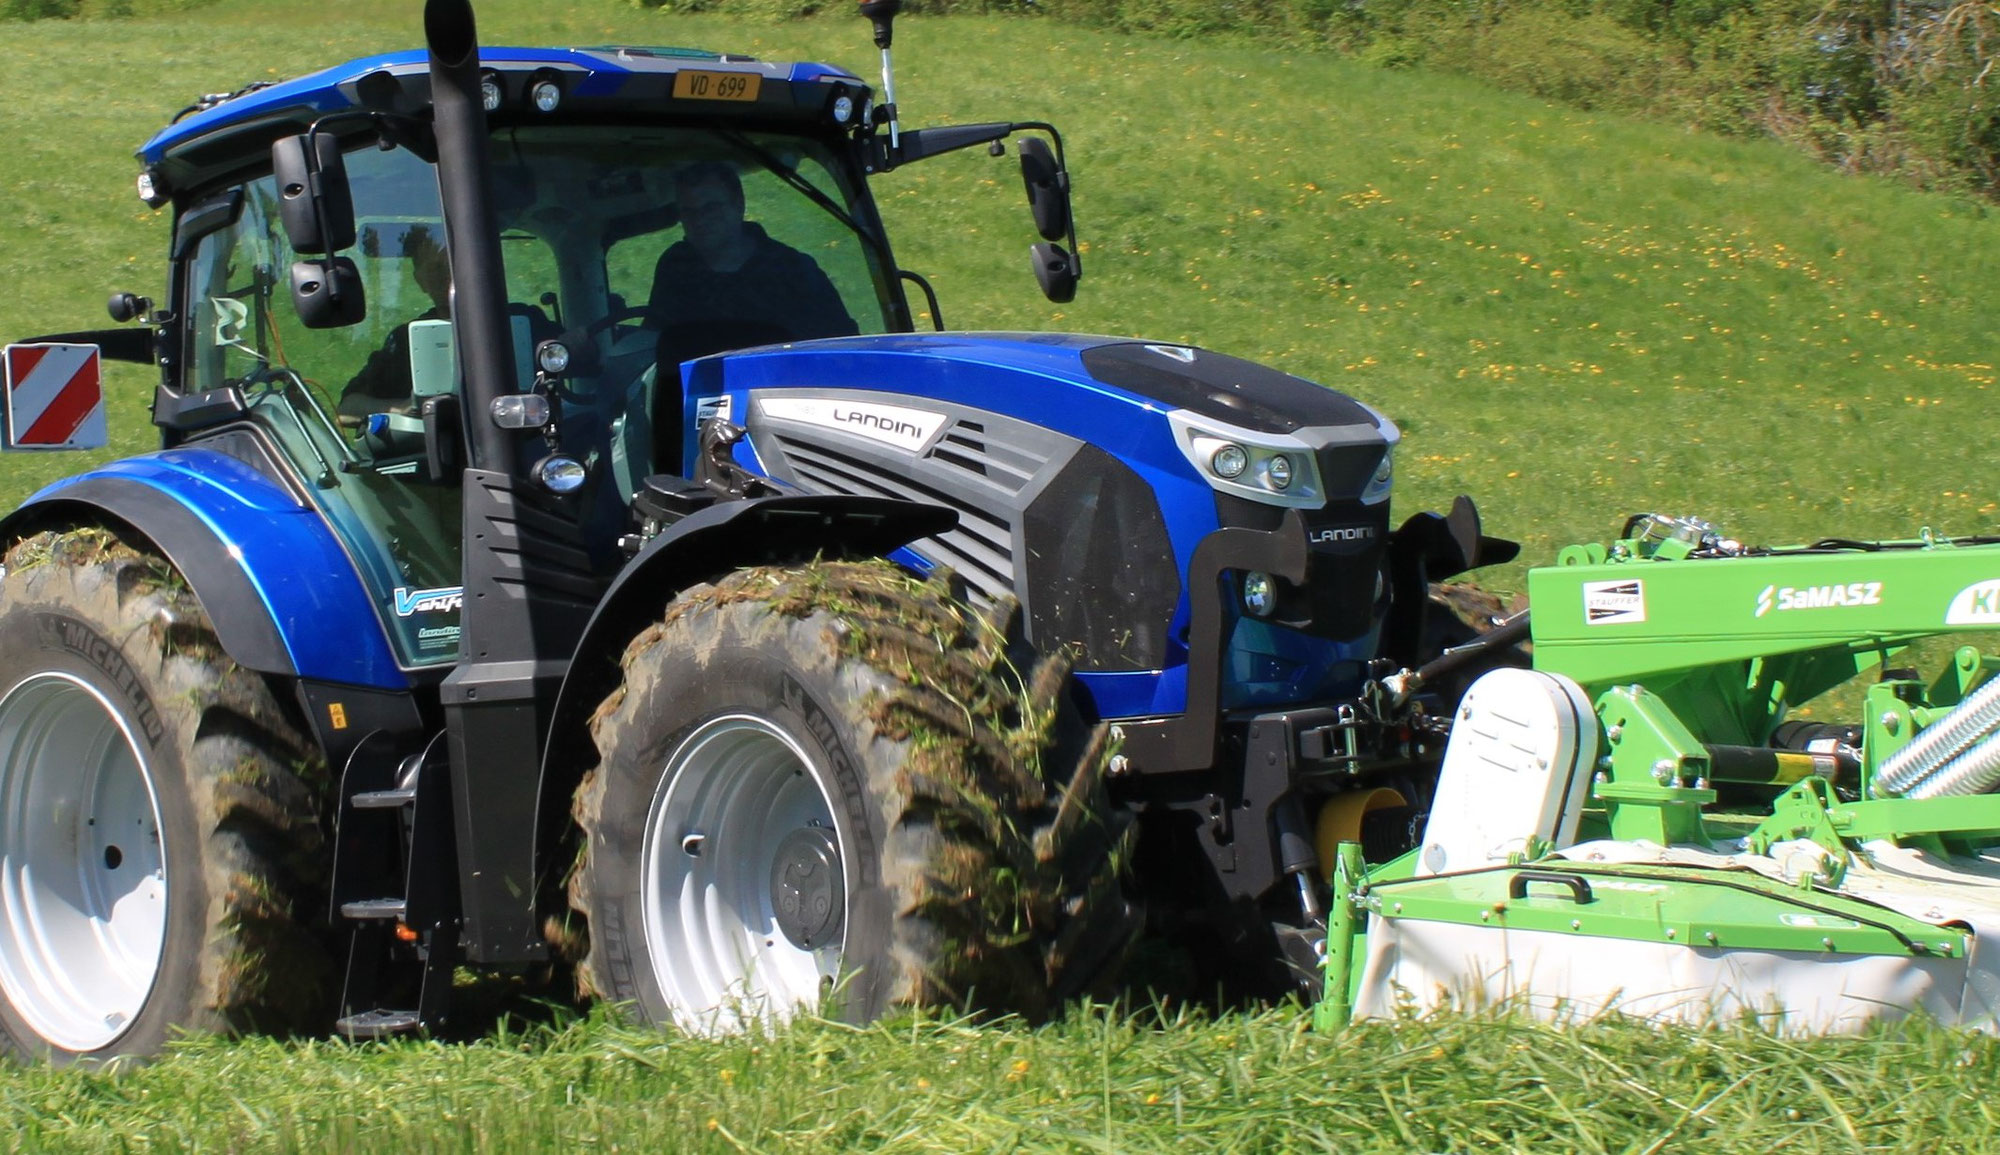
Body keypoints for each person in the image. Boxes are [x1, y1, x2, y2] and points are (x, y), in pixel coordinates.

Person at [645, 162, 858, 366]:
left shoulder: (792, 270)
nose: (699, 220)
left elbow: (843, 350)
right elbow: (652, 345)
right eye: (688, 212)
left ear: (739, 204)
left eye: (711, 208)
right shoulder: (676, 268)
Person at [339, 225, 452, 420]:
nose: (447, 276)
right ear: (420, 280)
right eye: (436, 268)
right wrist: (401, 408)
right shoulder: (406, 341)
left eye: (452, 266)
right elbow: (347, 410)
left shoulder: (517, 324)